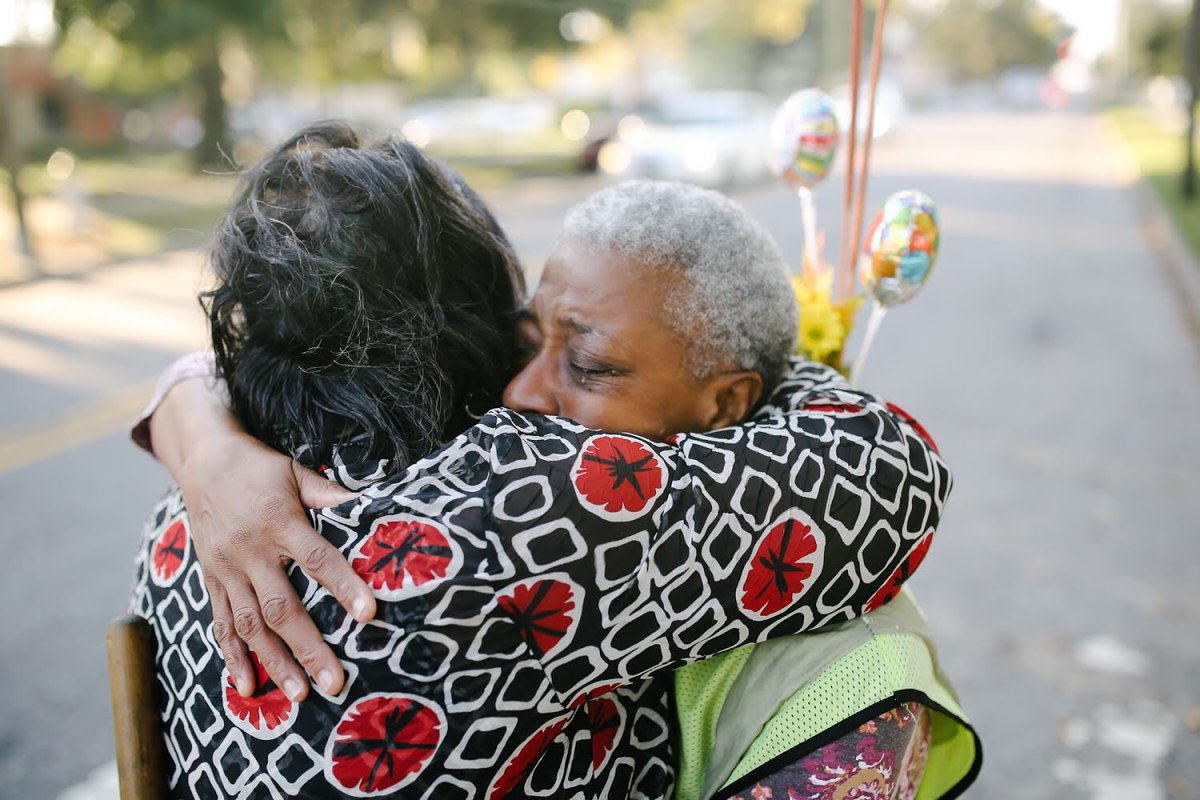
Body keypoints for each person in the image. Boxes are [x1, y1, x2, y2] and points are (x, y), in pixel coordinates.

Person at [132, 126, 965, 799]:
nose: (525, 388)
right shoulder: (522, 503)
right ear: (469, 329)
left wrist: (194, 417)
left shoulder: (182, 525)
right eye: (524, 333)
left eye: (581, 358)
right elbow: (890, 472)